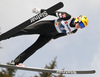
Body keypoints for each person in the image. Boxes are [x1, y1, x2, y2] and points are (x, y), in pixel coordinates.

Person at [1, 8, 88, 66]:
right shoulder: (67, 17)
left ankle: (17, 61)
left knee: (35, 48)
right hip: (46, 26)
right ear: (78, 19)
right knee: (25, 31)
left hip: (49, 35)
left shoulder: (74, 31)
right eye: (80, 24)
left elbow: (62, 34)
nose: (80, 27)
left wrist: (53, 38)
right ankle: (4, 36)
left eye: (82, 26)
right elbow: (53, 13)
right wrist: (40, 11)